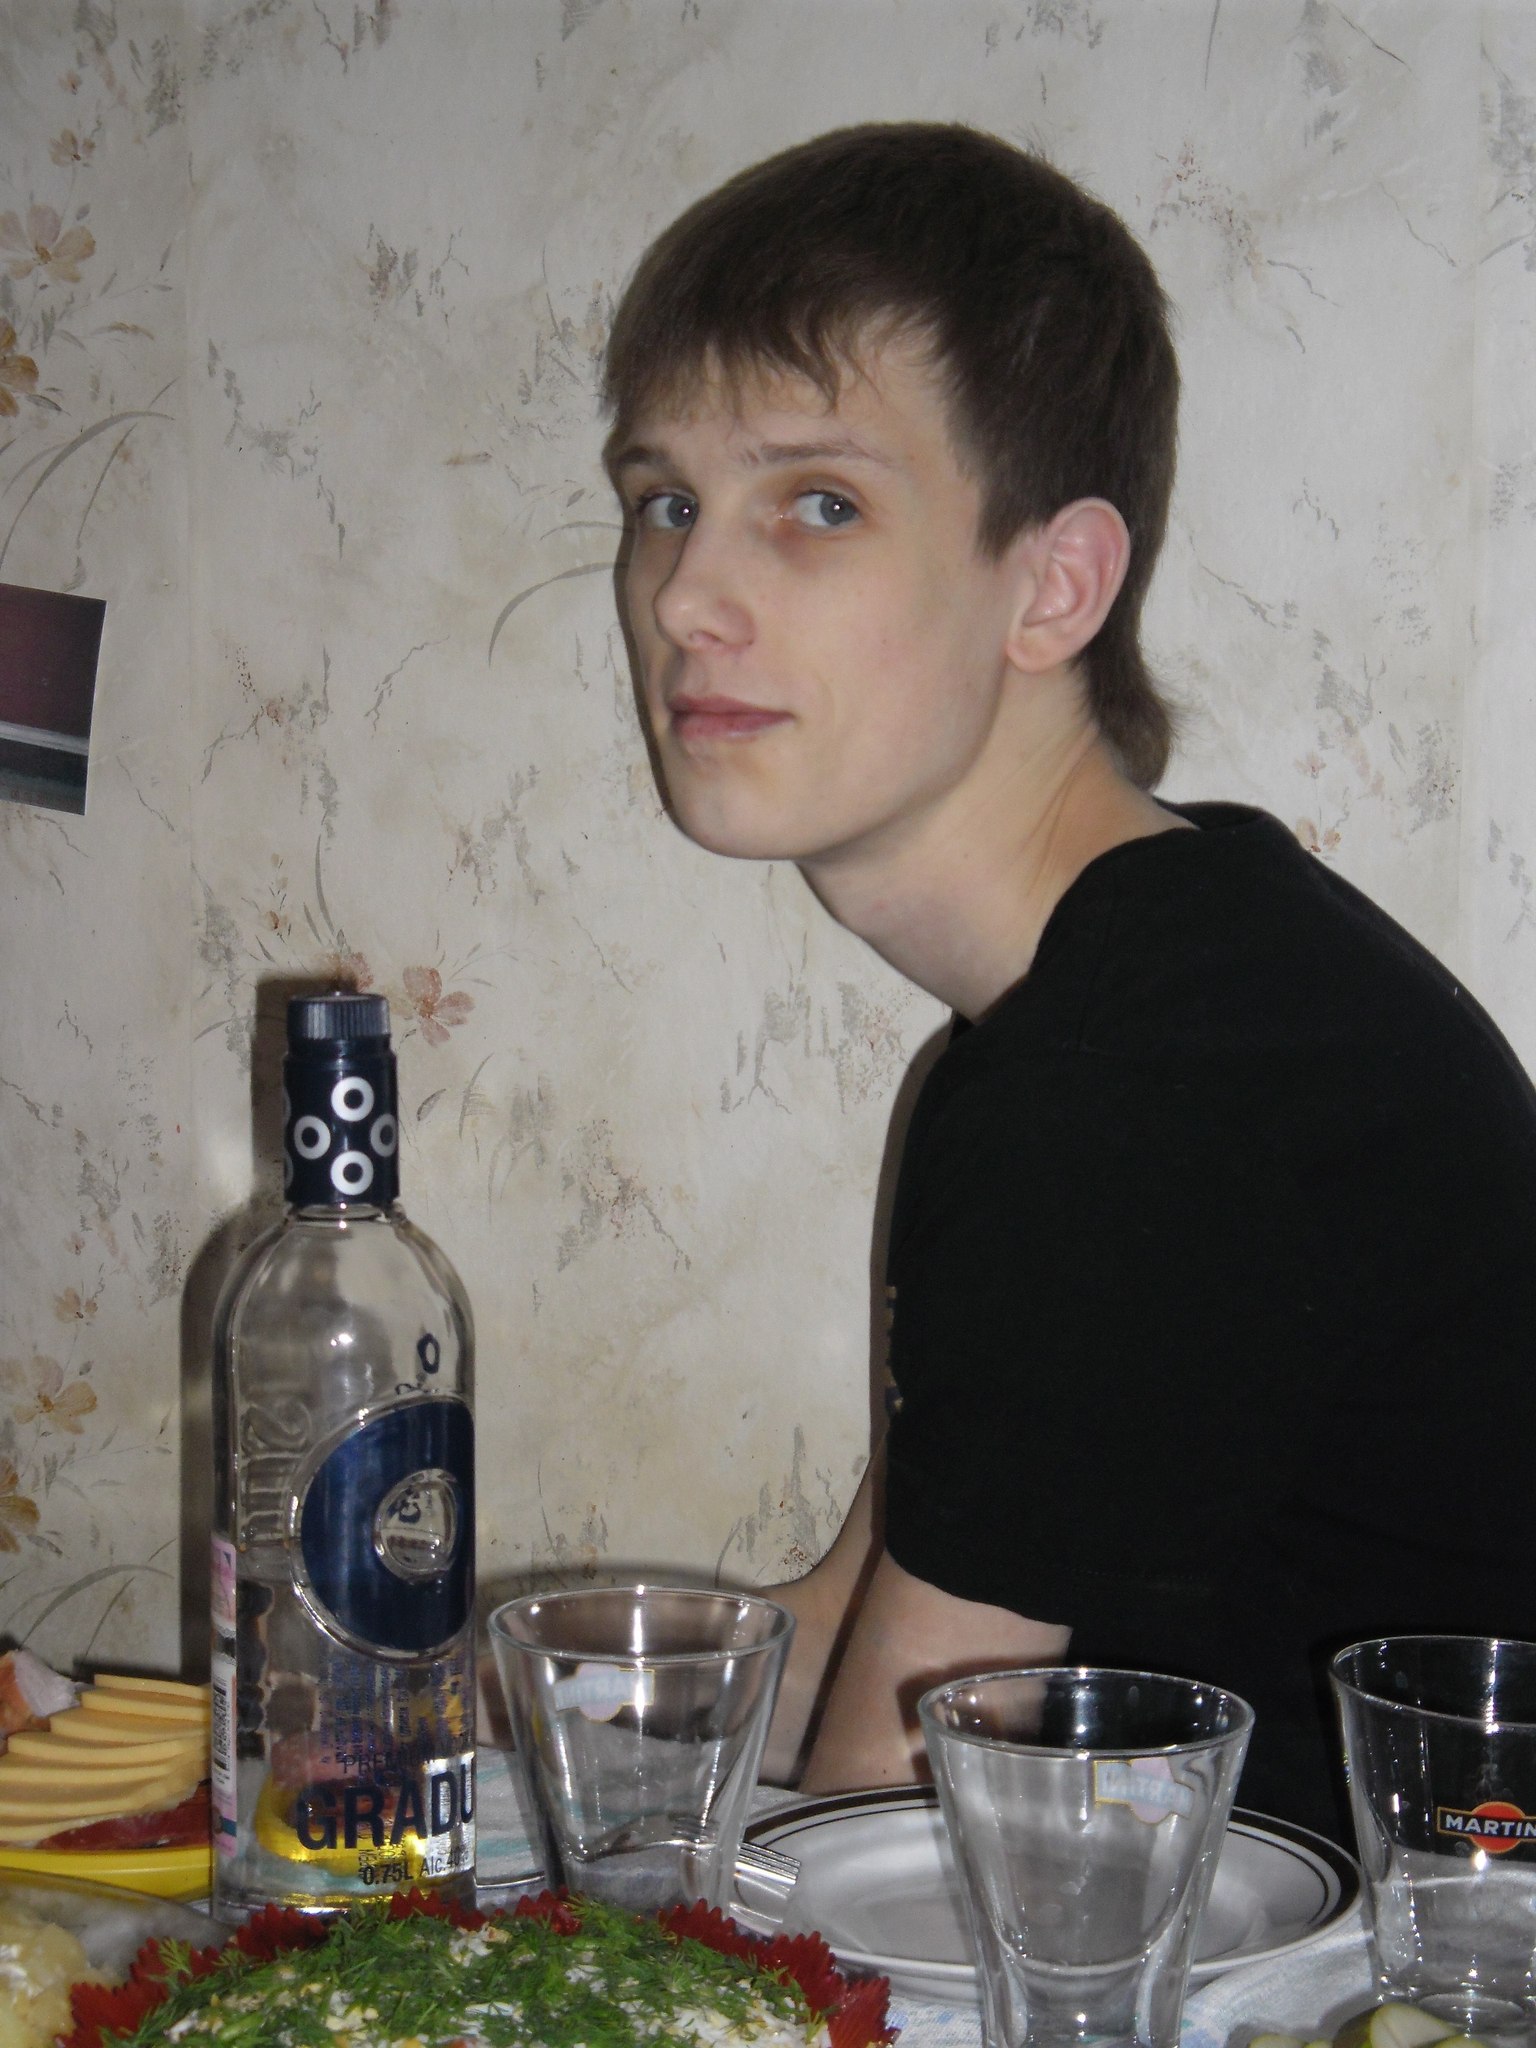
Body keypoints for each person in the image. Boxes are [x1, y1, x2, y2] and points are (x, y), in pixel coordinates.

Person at [599, 122, 1536, 1842]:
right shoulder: (1082, 1016)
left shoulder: (1145, 1068)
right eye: (667, 502)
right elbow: (863, 1635)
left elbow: (881, 1834)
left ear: (1054, 585)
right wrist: (451, 1702)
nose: (687, 599)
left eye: (817, 504)